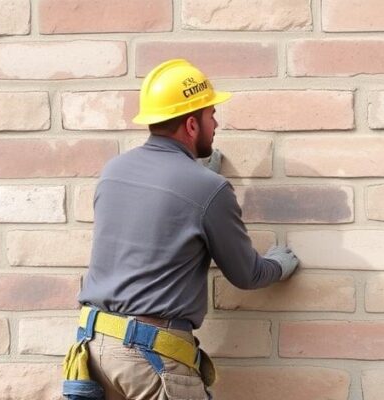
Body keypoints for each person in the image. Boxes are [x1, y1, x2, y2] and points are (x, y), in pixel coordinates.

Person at [63, 59, 300, 400]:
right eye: (211, 115)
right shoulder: (209, 189)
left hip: (93, 349)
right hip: (149, 358)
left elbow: (153, 218)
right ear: (191, 124)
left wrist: (197, 176)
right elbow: (247, 274)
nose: (215, 123)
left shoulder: (114, 171)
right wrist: (279, 264)